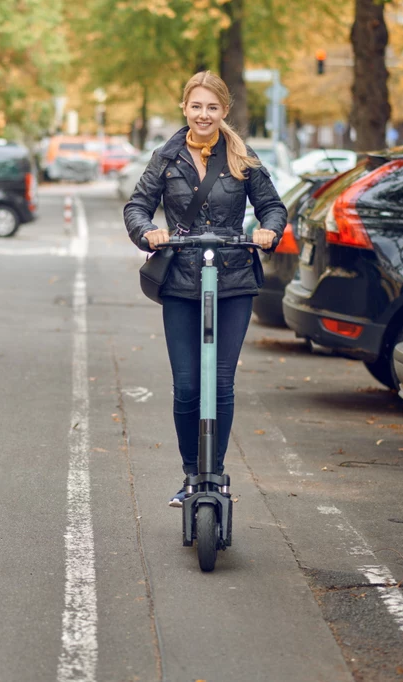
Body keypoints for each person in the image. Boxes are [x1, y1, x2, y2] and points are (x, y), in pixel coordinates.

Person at [123, 71, 287, 507]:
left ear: (224, 111)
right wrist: (149, 233)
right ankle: (191, 474)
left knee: (222, 383)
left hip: (232, 279)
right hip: (180, 282)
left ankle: (214, 472)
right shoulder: (167, 156)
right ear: (185, 108)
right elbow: (137, 206)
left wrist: (269, 230)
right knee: (187, 385)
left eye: (212, 107)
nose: (204, 114)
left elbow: (272, 206)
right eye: (196, 106)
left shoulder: (241, 156)